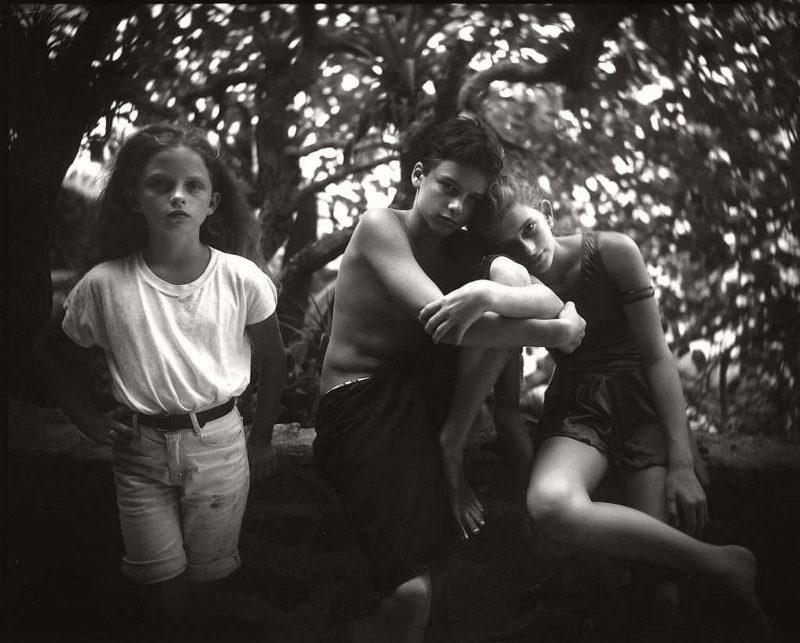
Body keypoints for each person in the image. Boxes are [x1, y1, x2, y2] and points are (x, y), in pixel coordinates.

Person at [425, 171, 772, 638]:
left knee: (660, 594)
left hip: (645, 407)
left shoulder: (612, 252)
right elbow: (506, 408)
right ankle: (724, 563)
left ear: (546, 213)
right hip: (580, 410)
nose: (527, 250)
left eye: (529, 229)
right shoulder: (517, 290)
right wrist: (530, 480)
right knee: (551, 504)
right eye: (509, 247)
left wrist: (683, 463)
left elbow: (657, 356)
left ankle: (732, 575)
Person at [313, 117, 586, 643]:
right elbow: (445, 327)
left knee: (505, 276)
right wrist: (558, 332)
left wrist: (487, 294)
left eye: (470, 198)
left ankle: (450, 442)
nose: (456, 207)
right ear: (419, 175)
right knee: (412, 593)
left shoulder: (457, 246)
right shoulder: (380, 227)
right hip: (360, 401)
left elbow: (543, 294)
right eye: (448, 188)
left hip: (423, 394)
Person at [35, 123, 286, 641]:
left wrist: (260, 439)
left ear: (213, 202)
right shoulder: (104, 285)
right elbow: (53, 354)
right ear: (133, 196)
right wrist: (86, 420)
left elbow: (275, 362)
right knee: (160, 587)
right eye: (160, 184)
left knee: (211, 578)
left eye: (193, 186)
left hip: (219, 447)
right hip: (140, 453)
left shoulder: (240, 279)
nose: (177, 196)